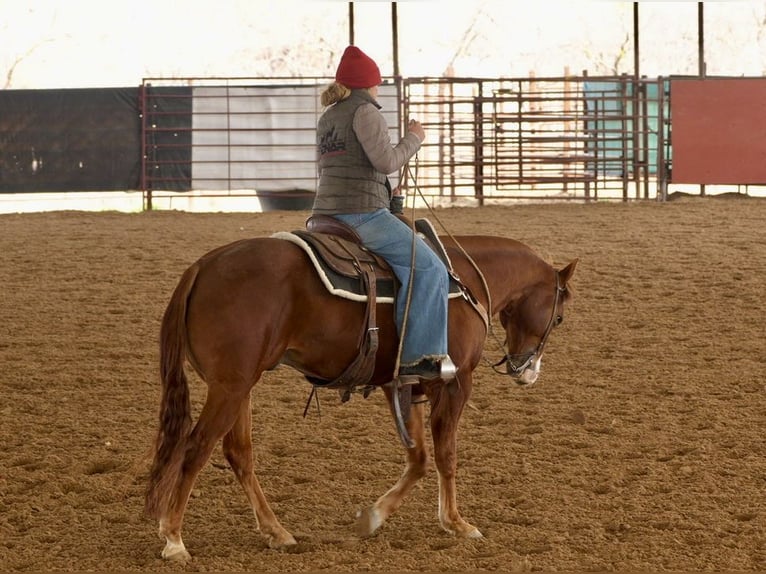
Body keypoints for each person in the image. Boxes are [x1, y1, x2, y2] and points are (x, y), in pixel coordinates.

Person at [312, 45, 455, 382]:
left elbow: (346, 168)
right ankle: (419, 358)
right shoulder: (366, 111)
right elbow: (387, 162)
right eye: (377, 83)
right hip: (360, 216)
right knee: (431, 267)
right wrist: (414, 139)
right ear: (370, 84)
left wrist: (387, 194)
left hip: (323, 215)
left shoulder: (329, 116)